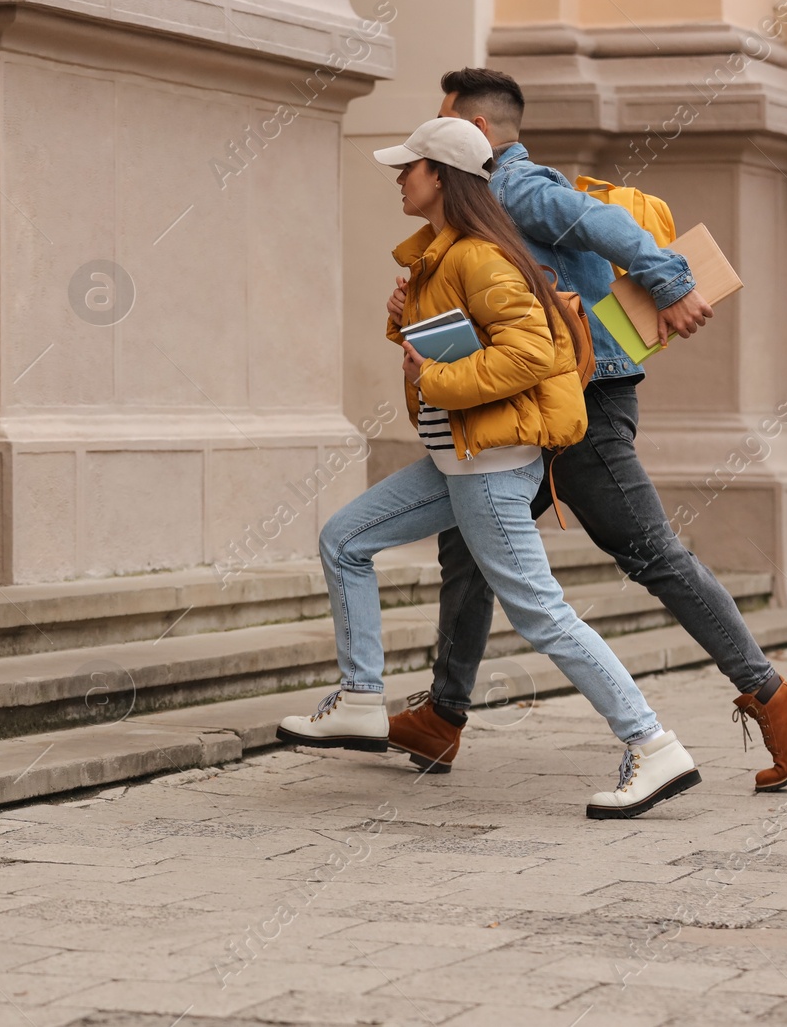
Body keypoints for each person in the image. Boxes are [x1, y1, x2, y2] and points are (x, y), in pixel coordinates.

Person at [385, 68, 787, 792]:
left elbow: (608, 227)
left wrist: (671, 280)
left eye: (449, 124)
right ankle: (443, 714)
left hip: (582, 413)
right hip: (541, 409)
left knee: (652, 553)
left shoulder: (516, 188)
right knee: (467, 544)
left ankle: (777, 697)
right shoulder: (489, 203)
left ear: (483, 134)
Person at [276, 116, 700, 819]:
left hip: (491, 469)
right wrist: (403, 318)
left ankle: (653, 745)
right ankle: (358, 699)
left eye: (409, 167)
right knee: (345, 540)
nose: (398, 177)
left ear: (441, 177)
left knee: (543, 615)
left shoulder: (480, 256)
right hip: (456, 461)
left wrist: (437, 380)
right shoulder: (447, 254)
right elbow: (456, 336)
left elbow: (531, 352)